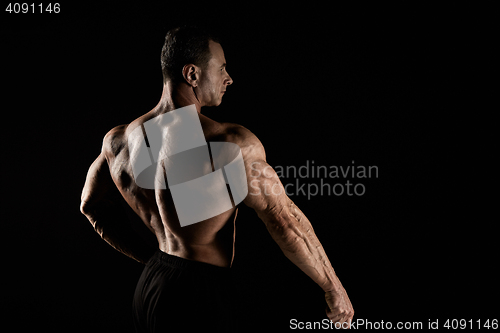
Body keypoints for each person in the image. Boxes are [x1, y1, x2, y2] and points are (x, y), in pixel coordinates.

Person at [80, 25, 354, 332]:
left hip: (152, 285)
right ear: (192, 74)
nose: (229, 78)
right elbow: (283, 220)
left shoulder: (120, 140)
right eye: (221, 68)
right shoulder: (230, 145)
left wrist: (153, 261)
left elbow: (91, 207)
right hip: (198, 296)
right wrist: (333, 289)